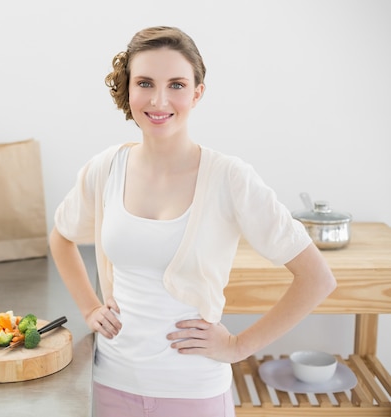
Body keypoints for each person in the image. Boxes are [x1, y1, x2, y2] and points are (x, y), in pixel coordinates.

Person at [49, 26, 337, 417]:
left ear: (198, 93)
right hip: (110, 383)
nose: (159, 99)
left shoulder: (229, 177)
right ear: (128, 88)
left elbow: (317, 279)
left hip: (193, 392)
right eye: (145, 83)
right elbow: (61, 236)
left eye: (177, 84)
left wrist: (236, 347)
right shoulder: (106, 169)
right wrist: (88, 307)